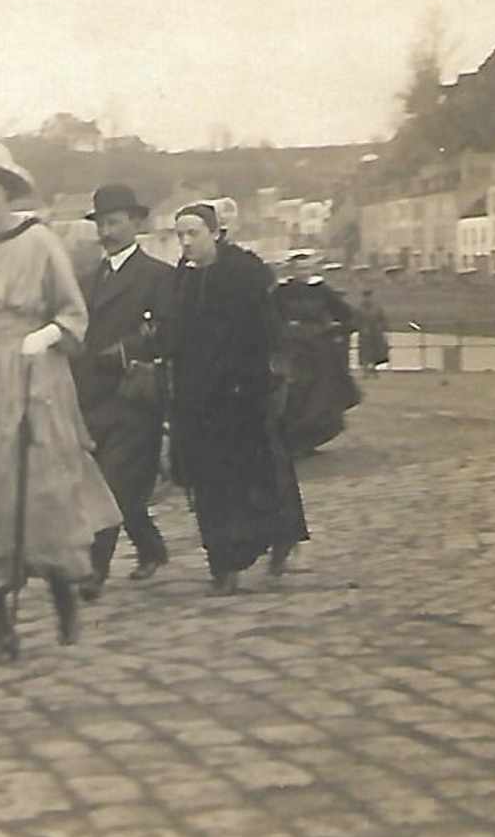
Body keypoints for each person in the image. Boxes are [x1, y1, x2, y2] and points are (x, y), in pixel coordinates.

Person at [0, 140, 120, 666]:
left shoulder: (40, 241)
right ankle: (0, 624)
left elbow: (72, 312)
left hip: (33, 367)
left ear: (7, 186)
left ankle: (63, 584)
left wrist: (45, 336)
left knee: (41, 482)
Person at [166, 203, 310, 595]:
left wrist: (266, 381)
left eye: (193, 233)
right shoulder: (183, 277)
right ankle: (222, 563)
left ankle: (258, 547)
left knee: (247, 478)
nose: (185, 242)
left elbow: (268, 331)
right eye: (179, 235)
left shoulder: (243, 274)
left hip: (240, 395)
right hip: (196, 397)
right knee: (207, 480)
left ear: (215, 233)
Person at [69, 183, 178, 600]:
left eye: (114, 222)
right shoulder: (87, 279)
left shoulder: (157, 276)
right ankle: (151, 548)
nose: (107, 231)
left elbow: (164, 330)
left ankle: (93, 572)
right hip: (91, 396)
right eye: (101, 224)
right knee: (114, 487)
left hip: (134, 394)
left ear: (135, 223)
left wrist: (123, 350)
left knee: (114, 486)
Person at [273, 275, 361, 456]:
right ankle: (290, 437)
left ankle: (308, 437)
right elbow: (267, 316)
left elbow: (346, 316)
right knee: (288, 391)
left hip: (318, 351)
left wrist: (335, 330)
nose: (299, 269)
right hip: (290, 348)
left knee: (320, 392)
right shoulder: (280, 291)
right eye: (295, 264)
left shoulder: (321, 290)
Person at [356, 289, 391, 377]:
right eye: (366, 296)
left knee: (376, 351)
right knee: (365, 352)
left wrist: (382, 328)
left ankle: (375, 370)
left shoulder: (377, 308)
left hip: (376, 333)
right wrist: (361, 328)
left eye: (369, 296)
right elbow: (357, 320)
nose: (367, 298)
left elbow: (382, 319)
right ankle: (365, 371)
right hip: (365, 334)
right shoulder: (359, 308)